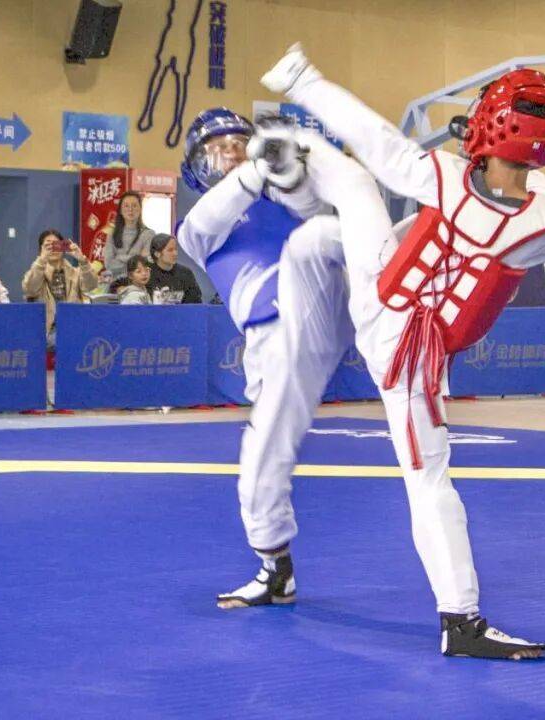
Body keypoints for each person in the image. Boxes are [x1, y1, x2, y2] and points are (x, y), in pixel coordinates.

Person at [260, 45, 545, 659]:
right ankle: (460, 620)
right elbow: (531, 199)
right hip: (410, 345)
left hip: (392, 322)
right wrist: (511, 161)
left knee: (355, 183)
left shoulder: (442, 176)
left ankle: (281, 143)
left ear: (490, 123)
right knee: (429, 480)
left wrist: (303, 81)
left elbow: (373, 135)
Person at [176, 108, 354, 616]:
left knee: (324, 233)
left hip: (326, 299)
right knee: (260, 460)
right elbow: (215, 212)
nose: (230, 153)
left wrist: (288, 166)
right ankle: (275, 567)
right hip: (276, 335)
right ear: (197, 169)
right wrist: (259, 164)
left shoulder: (289, 201)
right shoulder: (197, 229)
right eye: (218, 150)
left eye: (238, 142)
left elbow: (317, 207)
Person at [22, 229, 97, 345]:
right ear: (41, 249)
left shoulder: (75, 273)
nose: (53, 248)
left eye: (56, 244)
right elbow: (30, 289)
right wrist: (41, 260)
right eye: (48, 245)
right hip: (45, 332)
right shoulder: (36, 273)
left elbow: (91, 285)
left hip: (73, 329)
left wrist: (82, 260)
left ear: (63, 247)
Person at [103, 191, 155, 279]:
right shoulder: (112, 234)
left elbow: (145, 263)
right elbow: (109, 264)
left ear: (140, 209)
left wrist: (119, 258)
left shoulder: (149, 234)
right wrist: (136, 258)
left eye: (134, 205)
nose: (130, 209)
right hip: (117, 284)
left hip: (139, 283)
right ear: (120, 210)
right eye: (126, 206)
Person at [148, 233, 202, 304]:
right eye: (170, 250)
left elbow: (195, 301)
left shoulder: (186, 273)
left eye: (175, 249)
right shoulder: (147, 274)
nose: (175, 253)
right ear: (157, 254)